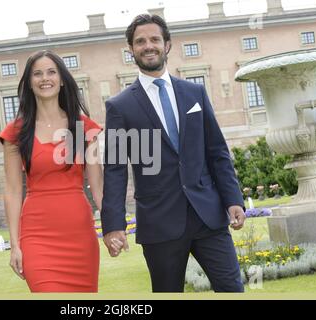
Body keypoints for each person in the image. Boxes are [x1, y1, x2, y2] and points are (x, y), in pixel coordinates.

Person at [101, 14, 246, 292]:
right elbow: (115, 169)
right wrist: (113, 225)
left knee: (232, 289)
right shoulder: (120, 106)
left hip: (208, 216)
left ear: (167, 45)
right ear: (130, 49)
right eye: (140, 41)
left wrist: (233, 199)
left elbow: (217, 152)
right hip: (159, 222)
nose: (148, 46)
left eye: (155, 39)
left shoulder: (195, 93)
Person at [0, 50, 103, 292]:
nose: (44, 78)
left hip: (79, 235)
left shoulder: (83, 127)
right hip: (37, 237)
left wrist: (112, 226)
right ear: (29, 83)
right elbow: (13, 191)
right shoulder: (16, 132)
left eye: (51, 72)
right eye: (37, 74)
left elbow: (98, 186)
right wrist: (15, 245)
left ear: (62, 79)